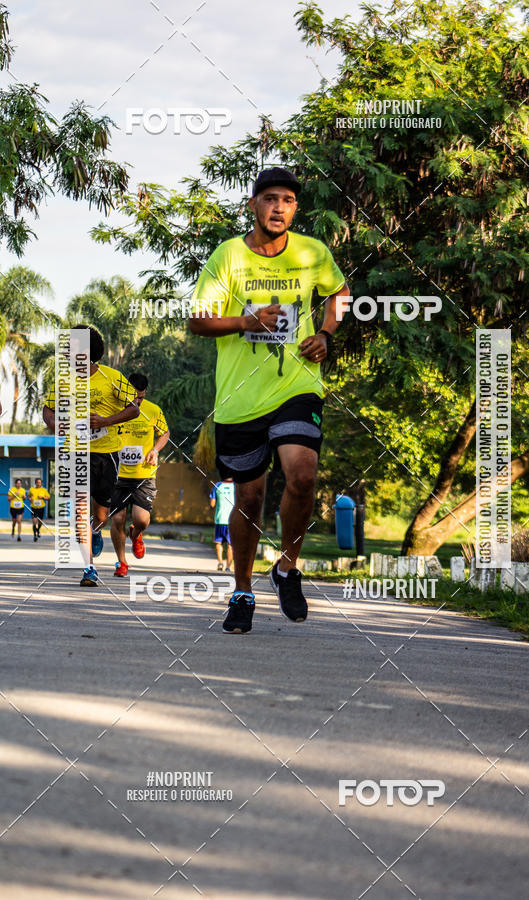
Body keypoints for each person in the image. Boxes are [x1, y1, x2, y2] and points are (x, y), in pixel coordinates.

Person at [190, 166, 350, 634]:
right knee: (250, 495)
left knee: (302, 474)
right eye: (270, 199)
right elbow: (198, 321)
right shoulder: (228, 257)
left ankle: (286, 567)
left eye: (288, 200)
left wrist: (325, 333)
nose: (279, 207)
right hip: (240, 398)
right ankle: (242, 591)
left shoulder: (312, 252)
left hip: (298, 385)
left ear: (294, 208)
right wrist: (246, 322)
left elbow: (340, 293)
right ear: (253, 205)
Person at [43, 325, 139, 586]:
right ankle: (89, 568)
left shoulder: (112, 377)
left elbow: (134, 409)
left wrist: (105, 421)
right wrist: (57, 425)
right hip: (76, 452)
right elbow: (48, 410)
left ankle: (97, 531)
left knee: (101, 515)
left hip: (107, 453)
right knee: (81, 509)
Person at [109, 373, 169, 576]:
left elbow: (165, 433)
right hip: (118, 475)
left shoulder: (153, 410)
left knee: (142, 520)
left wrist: (155, 450)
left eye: (141, 398)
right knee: (117, 519)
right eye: (134, 397)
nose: (137, 401)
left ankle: (136, 534)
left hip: (144, 475)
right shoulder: (115, 408)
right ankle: (122, 563)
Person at [209, 477, 235, 571]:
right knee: (230, 545)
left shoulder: (217, 485)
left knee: (218, 542)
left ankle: (220, 563)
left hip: (220, 519)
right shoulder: (236, 486)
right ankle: (228, 567)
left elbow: (212, 504)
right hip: (232, 520)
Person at [28, 477, 50, 542]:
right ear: (35, 483)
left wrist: (42, 497)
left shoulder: (44, 490)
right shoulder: (32, 489)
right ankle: (35, 535)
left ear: (41, 483)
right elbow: (29, 496)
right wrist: (29, 499)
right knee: (34, 521)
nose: (38, 484)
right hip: (34, 508)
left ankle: (38, 530)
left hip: (41, 508)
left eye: (40, 482)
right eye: (37, 482)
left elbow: (48, 498)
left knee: (40, 522)